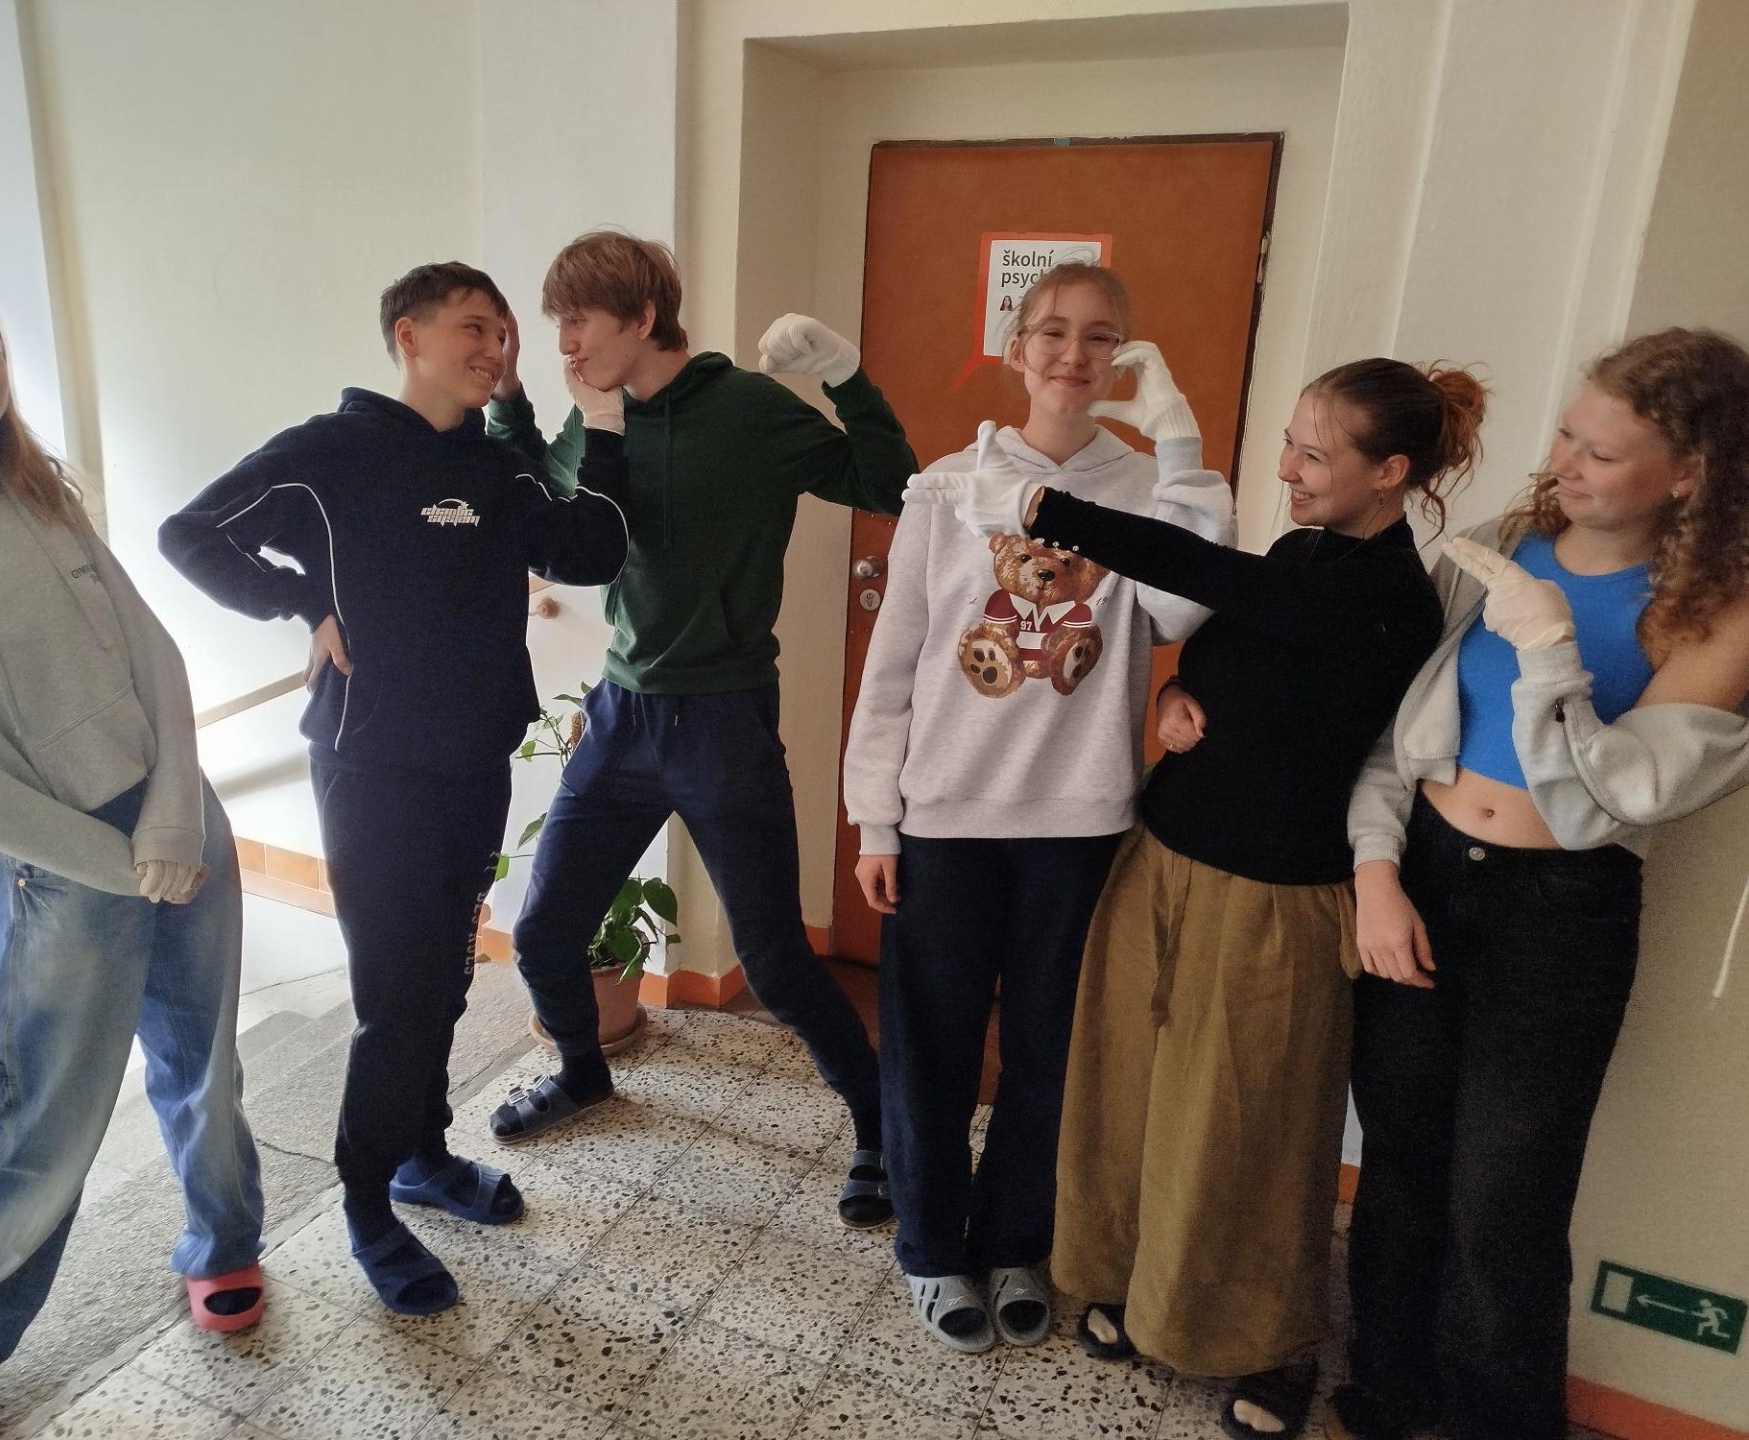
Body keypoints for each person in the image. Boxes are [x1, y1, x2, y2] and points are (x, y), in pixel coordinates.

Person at [911, 355, 1486, 1434]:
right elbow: (1223, 649)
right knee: (1133, 1094)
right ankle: (1138, 1289)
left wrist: (1042, 508)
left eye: (1314, 455)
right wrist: (1177, 694)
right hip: (1163, 858)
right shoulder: (1304, 550)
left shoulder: (1387, 596)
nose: (1287, 468)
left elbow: (1214, 577)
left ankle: (1272, 1345)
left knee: (1250, 1129)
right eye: (1290, 444)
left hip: (1275, 897)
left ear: (1390, 472)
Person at [0, 264, 266, 1440]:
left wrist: (173, 820)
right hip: (51, 867)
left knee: (204, 1061)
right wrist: (118, 863)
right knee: (30, 1114)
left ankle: (224, 1242)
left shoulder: (32, 490)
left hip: (178, 822)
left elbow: (155, 656)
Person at [160, 262, 628, 1316]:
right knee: (396, 995)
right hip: (370, 764)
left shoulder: (498, 466)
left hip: (474, 759)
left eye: (502, 333)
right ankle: (367, 1200)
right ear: (408, 335)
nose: (493, 348)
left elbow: (593, 548)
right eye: (473, 328)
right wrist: (301, 604)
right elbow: (189, 532)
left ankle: (423, 1154)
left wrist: (589, 420)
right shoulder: (330, 453)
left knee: (446, 975)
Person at [1333, 328, 1749, 1440]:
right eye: (1568, 433)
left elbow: (1611, 803)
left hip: (1559, 916)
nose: (1563, 462)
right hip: (1421, 877)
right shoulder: (1503, 547)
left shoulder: (1716, 611)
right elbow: (1397, 740)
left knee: (1505, 1204)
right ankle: (1386, 1394)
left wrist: (1552, 652)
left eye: (1601, 453)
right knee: (1400, 1164)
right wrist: (1376, 875)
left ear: (1691, 473)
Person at [480, 230, 918, 1227]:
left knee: (776, 964)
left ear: (643, 318)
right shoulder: (598, 420)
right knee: (542, 931)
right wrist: (509, 402)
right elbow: (538, 502)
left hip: (724, 721)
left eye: (580, 321)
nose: (566, 343)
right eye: (557, 325)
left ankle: (878, 1124)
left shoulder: (750, 411)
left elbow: (891, 483)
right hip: (620, 717)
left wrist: (846, 375)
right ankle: (583, 1073)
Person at [843, 262, 1234, 1352]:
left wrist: (1183, 449)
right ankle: (931, 1244)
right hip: (946, 823)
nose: (1074, 354)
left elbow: (1183, 610)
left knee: (1052, 1052)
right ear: (1015, 350)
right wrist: (876, 819)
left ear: (1125, 359)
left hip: (1081, 825)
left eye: (1100, 337)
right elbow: (895, 660)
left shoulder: (1148, 486)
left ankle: (1018, 1234)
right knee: (932, 1046)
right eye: (1052, 332)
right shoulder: (943, 487)